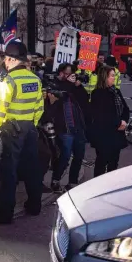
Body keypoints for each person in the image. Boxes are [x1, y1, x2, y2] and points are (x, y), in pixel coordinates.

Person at [0, 41, 44, 225]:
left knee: (8, 173)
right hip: (30, 129)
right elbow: (39, 108)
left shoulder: (6, 81)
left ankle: (5, 213)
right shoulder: (34, 79)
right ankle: (34, 205)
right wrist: (30, 124)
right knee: (32, 169)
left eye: (7, 58)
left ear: (13, 60)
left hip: (9, 132)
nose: (5, 61)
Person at [47, 63, 89, 192]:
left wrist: (78, 86)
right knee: (64, 156)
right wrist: (70, 84)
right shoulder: (53, 84)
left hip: (78, 126)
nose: (71, 76)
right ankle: (55, 180)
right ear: (61, 73)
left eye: (72, 74)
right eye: (68, 74)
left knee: (79, 156)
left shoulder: (73, 86)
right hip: (64, 127)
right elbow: (61, 94)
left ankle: (72, 182)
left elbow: (85, 99)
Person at [90, 66, 130, 176]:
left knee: (114, 162)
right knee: (102, 162)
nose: (114, 78)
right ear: (104, 77)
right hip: (104, 134)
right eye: (112, 76)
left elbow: (125, 108)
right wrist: (119, 123)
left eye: (115, 75)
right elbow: (102, 114)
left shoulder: (116, 91)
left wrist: (124, 121)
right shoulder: (97, 93)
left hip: (117, 132)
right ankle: (98, 187)